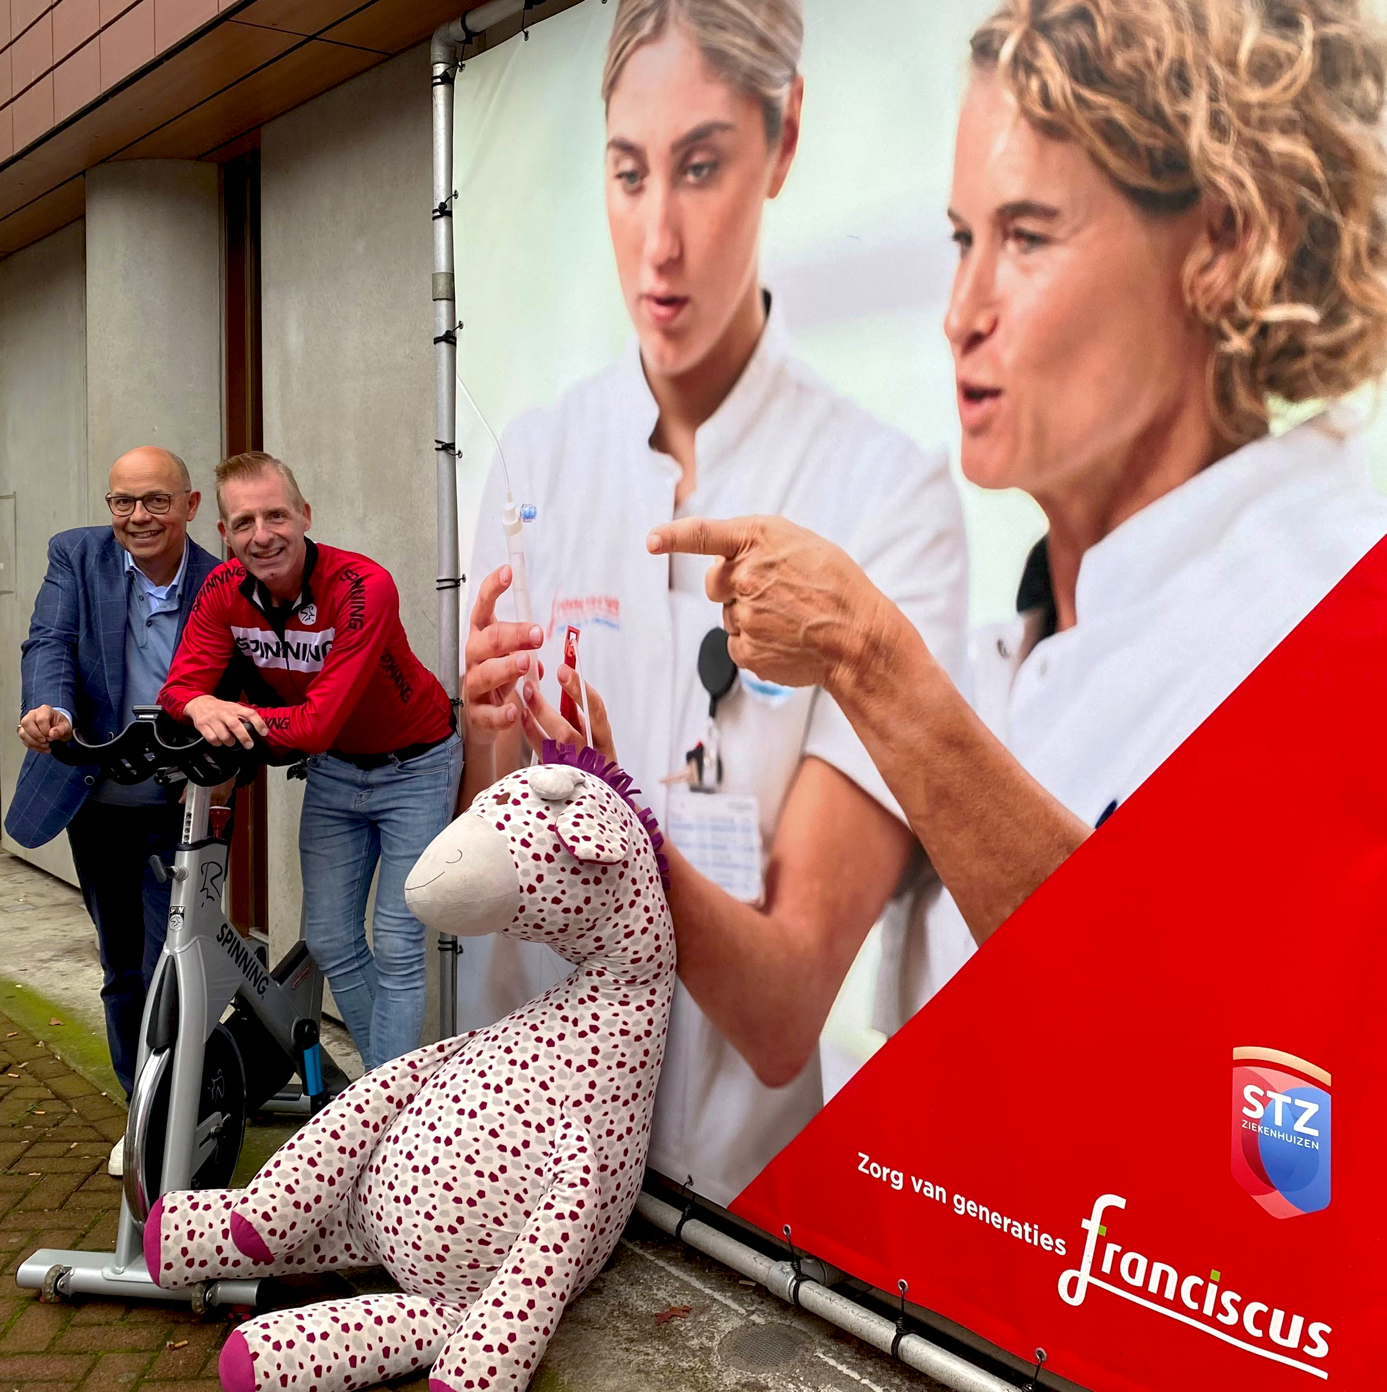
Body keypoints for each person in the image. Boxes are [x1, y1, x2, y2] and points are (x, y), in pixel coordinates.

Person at [646, 0, 1387, 1031]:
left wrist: (872, 661)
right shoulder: (1013, 652)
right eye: (961, 238)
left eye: (1027, 237)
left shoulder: (1334, 615)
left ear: (1223, 242)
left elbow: (1194, 1043)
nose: (959, 312)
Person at [461, 0, 968, 1208]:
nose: (659, 244)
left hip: (743, 1200)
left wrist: (616, 811)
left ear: (783, 141)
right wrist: (490, 743)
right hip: (525, 1152)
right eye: (630, 175)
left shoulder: (887, 498)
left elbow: (789, 1011)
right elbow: (484, 860)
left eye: (701, 168)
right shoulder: (536, 458)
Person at [158, 452, 462, 1073]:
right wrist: (199, 703)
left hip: (417, 767)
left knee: (400, 944)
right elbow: (178, 689)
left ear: (305, 515)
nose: (261, 534)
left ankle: (390, 1116)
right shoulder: (222, 590)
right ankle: (393, 1098)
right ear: (223, 534)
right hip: (334, 772)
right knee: (329, 940)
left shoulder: (361, 585)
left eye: (276, 514)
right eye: (243, 522)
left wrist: (232, 715)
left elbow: (318, 722)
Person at [5, 447, 222, 1176]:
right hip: (94, 800)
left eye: (156, 501)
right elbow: (51, 641)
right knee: (122, 969)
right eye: (124, 502)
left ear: (190, 507)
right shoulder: (77, 556)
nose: (138, 517)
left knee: (175, 965)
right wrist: (51, 708)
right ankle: (143, 1112)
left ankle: (180, 1111)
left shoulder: (220, 579)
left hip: (179, 800)